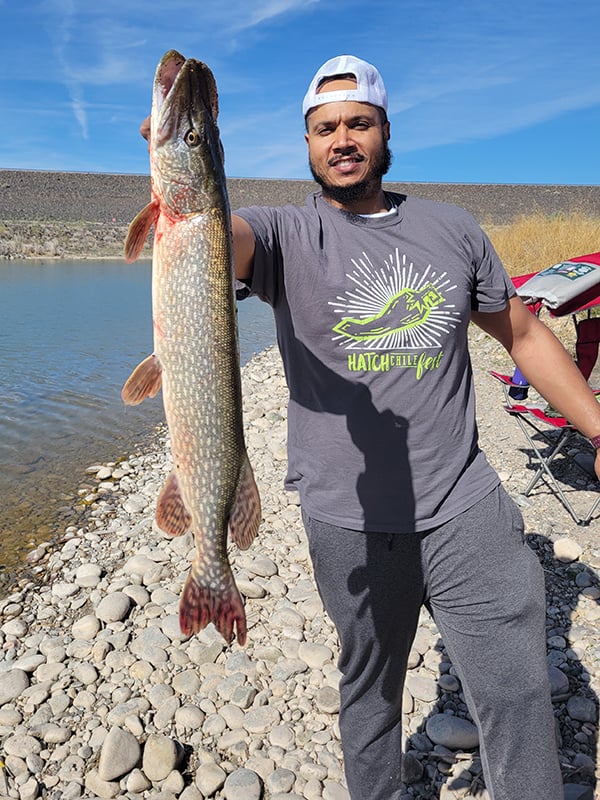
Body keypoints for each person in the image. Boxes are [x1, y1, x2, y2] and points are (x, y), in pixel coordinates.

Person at [142, 55, 600, 800]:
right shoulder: (282, 232)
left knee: (516, 692)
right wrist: (177, 168)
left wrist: (596, 427)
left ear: (386, 132)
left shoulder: (453, 230)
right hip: (345, 517)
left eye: (358, 123)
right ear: (308, 144)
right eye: (324, 129)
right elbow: (221, 240)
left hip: (465, 506)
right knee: (370, 694)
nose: (342, 139)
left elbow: (521, 334)